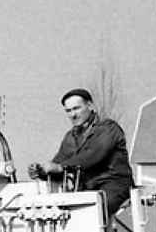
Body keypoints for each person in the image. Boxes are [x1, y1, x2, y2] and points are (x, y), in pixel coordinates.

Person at [28, 88, 134, 218]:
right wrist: (42, 171)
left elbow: (92, 156)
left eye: (76, 108)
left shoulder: (108, 128)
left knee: (93, 212)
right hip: (87, 189)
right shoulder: (71, 137)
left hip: (113, 186)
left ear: (90, 106)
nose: (73, 115)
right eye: (68, 111)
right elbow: (60, 164)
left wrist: (60, 167)